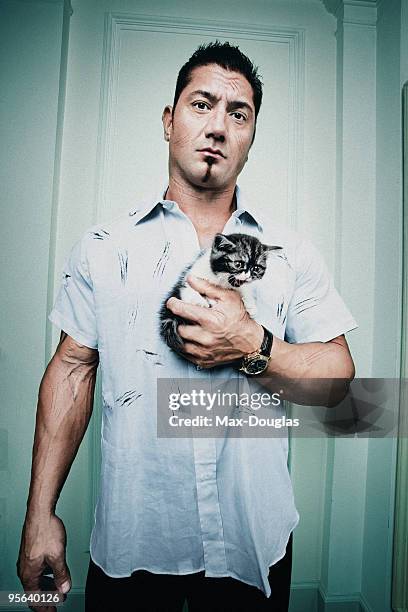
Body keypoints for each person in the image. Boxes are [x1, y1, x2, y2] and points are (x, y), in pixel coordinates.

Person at [17, 41, 357, 612]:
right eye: (202, 104)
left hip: (254, 538)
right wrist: (40, 513)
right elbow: (72, 370)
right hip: (136, 538)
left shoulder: (288, 252)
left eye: (239, 113)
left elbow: (340, 379)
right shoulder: (105, 247)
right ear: (170, 120)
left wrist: (254, 344)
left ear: (251, 137)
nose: (219, 126)